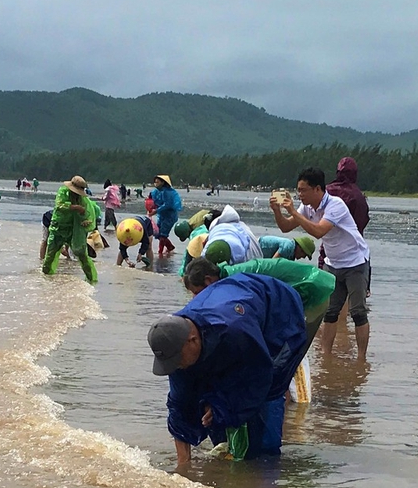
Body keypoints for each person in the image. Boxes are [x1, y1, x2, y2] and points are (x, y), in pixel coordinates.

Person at [150, 270, 312, 465]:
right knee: (212, 411)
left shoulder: (236, 331)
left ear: (192, 341)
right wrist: (183, 465)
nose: (176, 366)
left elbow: (258, 379)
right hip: (229, 306)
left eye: (177, 360)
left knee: (265, 408)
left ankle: (266, 468)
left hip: (279, 314)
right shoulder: (175, 344)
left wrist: (224, 407)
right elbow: (179, 404)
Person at [269, 166, 372, 357]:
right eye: (298, 190)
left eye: (303, 190)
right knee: (330, 313)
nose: (300, 195)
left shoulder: (336, 205)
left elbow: (318, 231)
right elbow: (285, 227)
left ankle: (361, 359)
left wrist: (293, 211)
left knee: (358, 312)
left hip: (355, 261)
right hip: (333, 263)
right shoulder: (306, 208)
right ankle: (326, 357)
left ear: (318, 189)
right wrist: (277, 212)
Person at [184, 255, 336, 345]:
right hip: (303, 289)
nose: (196, 298)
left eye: (197, 292)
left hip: (312, 292)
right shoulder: (231, 276)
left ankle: (290, 394)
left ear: (209, 280)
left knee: (292, 347)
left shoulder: (236, 283)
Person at [42, 177, 100, 283]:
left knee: (82, 254)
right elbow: (59, 206)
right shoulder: (63, 192)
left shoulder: (82, 200)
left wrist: (86, 221)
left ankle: (92, 279)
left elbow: (86, 214)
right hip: (58, 228)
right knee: (51, 254)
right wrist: (75, 207)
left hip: (73, 230)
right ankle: (46, 278)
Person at [148, 175, 183, 258]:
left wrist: (155, 211)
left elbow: (167, 204)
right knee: (157, 233)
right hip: (161, 215)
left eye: (157, 182)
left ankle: (160, 252)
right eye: (155, 182)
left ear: (163, 182)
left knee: (163, 234)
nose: (155, 184)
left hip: (170, 216)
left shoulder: (169, 192)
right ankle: (170, 247)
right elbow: (152, 201)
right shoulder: (155, 192)